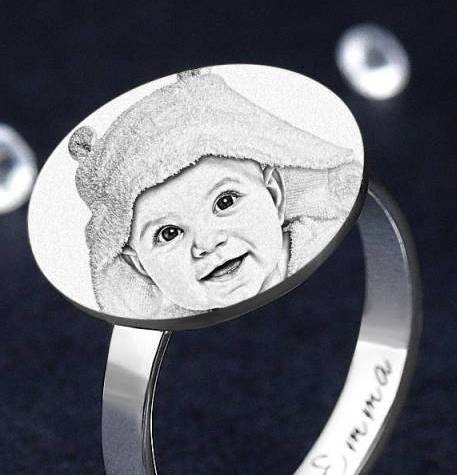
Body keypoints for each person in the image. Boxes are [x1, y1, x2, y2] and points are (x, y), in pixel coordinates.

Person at [69, 70, 361, 318]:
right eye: (169, 233)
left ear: (274, 196)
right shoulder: (172, 331)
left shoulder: (337, 250)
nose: (207, 243)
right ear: (139, 264)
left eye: (225, 201)